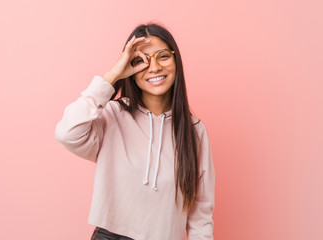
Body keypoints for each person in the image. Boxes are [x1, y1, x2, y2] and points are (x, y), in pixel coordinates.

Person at [55, 22, 215, 240]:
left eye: (163, 56)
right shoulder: (112, 115)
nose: (154, 67)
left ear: (176, 60)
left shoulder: (195, 132)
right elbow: (67, 133)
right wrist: (113, 75)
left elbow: (200, 218)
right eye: (140, 61)